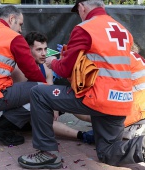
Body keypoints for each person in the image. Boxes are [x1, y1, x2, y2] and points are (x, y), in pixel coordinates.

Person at [17, 0, 145, 169]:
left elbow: (64, 70)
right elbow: (102, 63)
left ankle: (46, 153)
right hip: (122, 101)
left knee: (39, 93)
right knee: (108, 153)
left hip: (98, 98)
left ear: (82, 6)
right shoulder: (122, 30)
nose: (80, 15)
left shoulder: (84, 28)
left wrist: (53, 62)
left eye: (79, 11)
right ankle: (142, 146)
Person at [0, 30, 95, 145]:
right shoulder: (19, 71)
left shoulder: (45, 66)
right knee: (41, 111)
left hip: (36, 103)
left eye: (45, 49)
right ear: (28, 50)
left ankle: (101, 122)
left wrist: (55, 108)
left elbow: (50, 90)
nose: (44, 53)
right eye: (39, 50)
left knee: (66, 99)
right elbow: (20, 103)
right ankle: (83, 136)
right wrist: (49, 108)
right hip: (19, 117)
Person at [0, 5, 46, 146]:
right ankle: (1, 128)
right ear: (11, 19)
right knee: (42, 90)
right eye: (20, 24)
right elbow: (32, 71)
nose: (20, 29)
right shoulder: (14, 38)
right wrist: (45, 88)